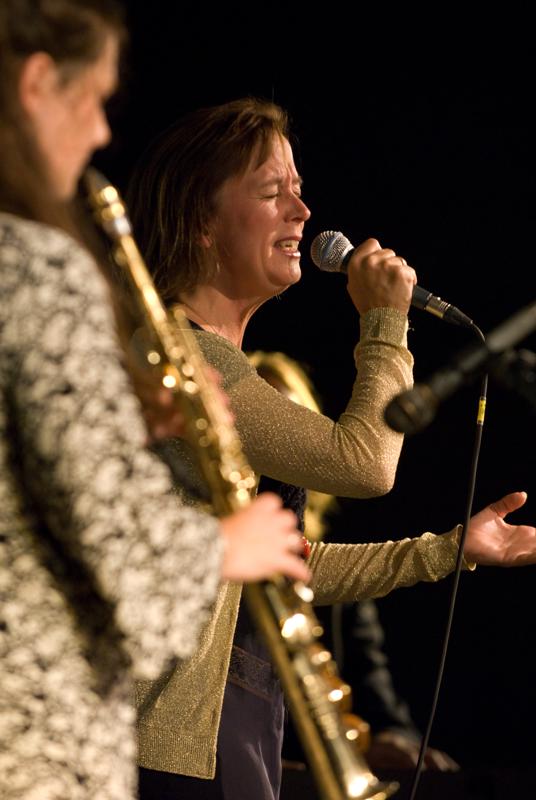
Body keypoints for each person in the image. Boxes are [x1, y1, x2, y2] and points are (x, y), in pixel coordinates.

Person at [125, 98, 536, 800]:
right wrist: (385, 322)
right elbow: (365, 466)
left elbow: (290, 568)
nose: (303, 211)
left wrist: (453, 549)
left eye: (299, 187)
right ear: (200, 223)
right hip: (168, 745)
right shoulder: (188, 361)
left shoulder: (222, 365)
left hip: (224, 729)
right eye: (272, 191)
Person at [0, 8, 309, 800]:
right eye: (96, 99)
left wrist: (125, 419)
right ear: (38, 84)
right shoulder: (36, 267)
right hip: (39, 733)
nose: (104, 132)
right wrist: (225, 546)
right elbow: (116, 544)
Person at [248, 351, 459, 778]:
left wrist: (395, 736)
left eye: (296, 424)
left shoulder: (335, 573)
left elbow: (371, 681)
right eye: (271, 428)